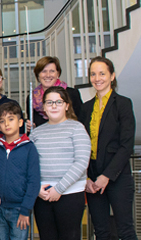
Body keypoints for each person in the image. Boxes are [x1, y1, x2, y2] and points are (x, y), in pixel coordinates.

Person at [79, 57, 137, 240]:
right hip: (93, 179)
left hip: (117, 176)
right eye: (93, 74)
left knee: (125, 230)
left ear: (112, 76)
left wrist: (107, 176)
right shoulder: (86, 108)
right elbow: (82, 145)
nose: (97, 78)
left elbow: (126, 145)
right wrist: (86, 177)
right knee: (101, 232)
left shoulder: (123, 104)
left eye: (102, 73)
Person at [29, 86, 90, 240]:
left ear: (67, 105)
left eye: (58, 102)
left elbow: (81, 162)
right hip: (42, 194)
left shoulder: (77, 128)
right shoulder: (36, 133)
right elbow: (28, 164)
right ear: (44, 107)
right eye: (49, 102)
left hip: (70, 193)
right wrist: (36, 188)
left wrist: (60, 188)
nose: (54, 106)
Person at [0, 102, 40, 240]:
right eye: (2, 121)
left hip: (20, 209)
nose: (7, 123)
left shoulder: (29, 148)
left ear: (20, 122)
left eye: (11, 119)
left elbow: (34, 181)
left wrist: (26, 209)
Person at [26, 56, 82, 129]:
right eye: (44, 71)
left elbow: (80, 120)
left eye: (52, 71)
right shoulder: (31, 98)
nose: (48, 75)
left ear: (58, 74)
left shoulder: (71, 94)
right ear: (38, 75)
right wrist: (32, 127)